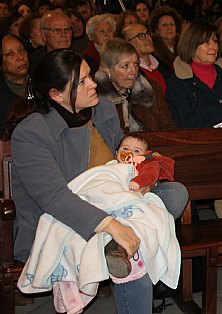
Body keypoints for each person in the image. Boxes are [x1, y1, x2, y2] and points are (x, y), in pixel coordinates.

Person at [8, 49, 187, 313]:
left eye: (89, 76)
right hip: (66, 218)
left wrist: (145, 167)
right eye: (81, 82)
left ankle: (119, 246)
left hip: (116, 202)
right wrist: (113, 225)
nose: (93, 84)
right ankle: (121, 246)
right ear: (56, 95)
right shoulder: (32, 132)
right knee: (134, 245)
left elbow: (120, 158)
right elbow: (55, 198)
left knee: (175, 193)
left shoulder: (102, 108)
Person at [166, 19, 222, 128]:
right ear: (192, 45)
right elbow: (186, 122)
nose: (214, 47)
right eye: (207, 42)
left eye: (215, 41)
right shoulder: (178, 82)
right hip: (202, 142)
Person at [95, 38, 176, 131]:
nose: (133, 71)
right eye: (125, 66)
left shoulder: (150, 87)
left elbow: (168, 126)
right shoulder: (95, 95)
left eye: (136, 64)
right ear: (107, 69)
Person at [0, 34, 28, 133]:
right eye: (10, 54)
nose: (20, 57)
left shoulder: (41, 82)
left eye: (21, 50)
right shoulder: (3, 97)